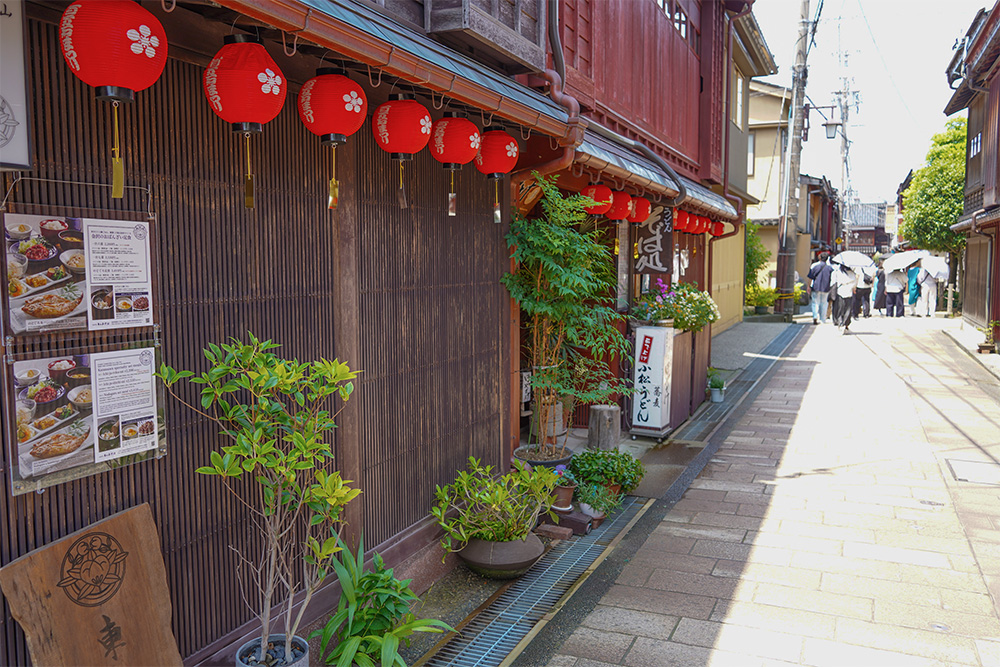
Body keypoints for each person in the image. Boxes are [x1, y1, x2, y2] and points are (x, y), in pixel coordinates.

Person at [806, 252, 833, 325]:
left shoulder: (815, 266)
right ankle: (823, 319)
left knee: (815, 302)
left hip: (816, 287)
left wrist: (808, 286)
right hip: (826, 287)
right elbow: (832, 279)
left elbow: (810, 277)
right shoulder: (830, 268)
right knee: (824, 303)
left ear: (820, 258)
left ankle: (815, 316)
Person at [831, 262, 858, 334]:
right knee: (848, 309)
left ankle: (840, 322)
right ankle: (846, 323)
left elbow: (833, 281)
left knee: (840, 308)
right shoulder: (852, 273)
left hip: (840, 291)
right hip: (849, 292)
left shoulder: (837, 272)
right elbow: (855, 283)